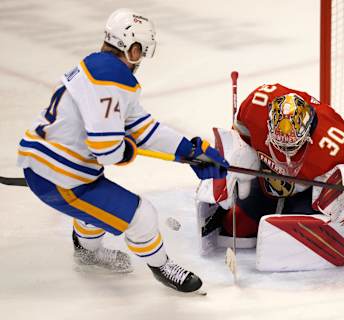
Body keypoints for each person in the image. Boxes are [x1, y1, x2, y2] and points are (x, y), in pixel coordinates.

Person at [17, 8, 228, 293]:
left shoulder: (96, 66)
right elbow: (107, 150)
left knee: (98, 203)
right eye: (141, 51)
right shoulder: (110, 77)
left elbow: (141, 127)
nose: (141, 60)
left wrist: (187, 150)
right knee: (143, 216)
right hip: (61, 179)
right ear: (133, 48)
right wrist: (125, 150)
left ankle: (86, 250)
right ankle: (162, 265)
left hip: (49, 169)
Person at [196, 83, 344, 271]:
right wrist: (239, 159)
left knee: (288, 243)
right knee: (236, 228)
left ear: (307, 132)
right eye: (280, 144)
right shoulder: (255, 106)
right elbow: (240, 133)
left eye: (293, 146)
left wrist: (341, 191)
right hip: (266, 182)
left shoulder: (335, 142)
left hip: (306, 193)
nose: (286, 154)